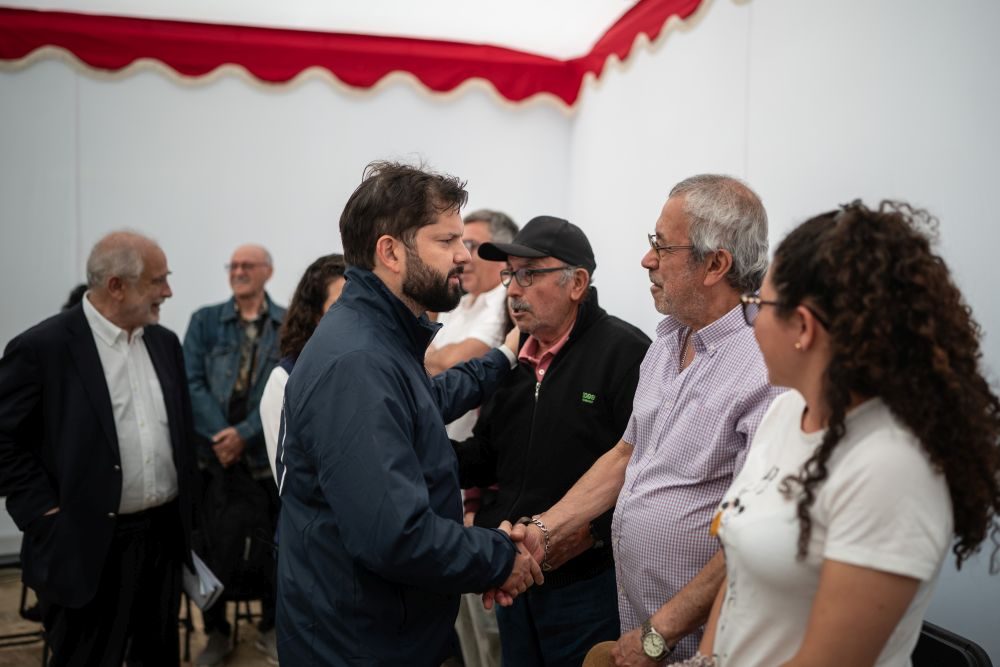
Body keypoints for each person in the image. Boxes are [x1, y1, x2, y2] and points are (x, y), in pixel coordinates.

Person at [678, 201, 1000, 667]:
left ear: (803, 327)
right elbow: (741, 573)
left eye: (757, 306)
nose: (753, 323)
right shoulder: (786, 412)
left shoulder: (892, 467)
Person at [276, 161, 542, 666]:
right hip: (360, 644)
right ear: (391, 251)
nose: (464, 256)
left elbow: (424, 404)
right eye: (447, 242)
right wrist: (499, 556)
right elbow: (395, 536)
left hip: (377, 629)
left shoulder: (380, 340)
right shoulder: (360, 361)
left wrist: (503, 356)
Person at [512, 175, 783, 663]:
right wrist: (544, 530)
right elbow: (626, 454)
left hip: (702, 647)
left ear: (716, 263)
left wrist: (661, 633)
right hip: (641, 625)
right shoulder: (667, 340)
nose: (647, 259)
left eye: (662, 246)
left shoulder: (764, 367)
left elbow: (750, 540)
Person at [454, 215, 650, 666]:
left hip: (586, 583)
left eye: (528, 274)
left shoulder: (625, 355)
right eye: (509, 275)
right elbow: (486, 457)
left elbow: (644, 467)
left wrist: (594, 535)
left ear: (577, 282)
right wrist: (419, 448)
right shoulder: (511, 362)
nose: (513, 290)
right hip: (513, 575)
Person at [0, 231, 196, 666]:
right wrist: (42, 512)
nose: (168, 291)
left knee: (157, 656)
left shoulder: (165, 344)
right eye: (157, 281)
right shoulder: (43, 348)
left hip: (160, 542)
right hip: (84, 546)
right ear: (116, 286)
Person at [183, 243, 287, 665]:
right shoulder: (205, 321)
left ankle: (271, 627)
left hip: (264, 462)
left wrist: (244, 435)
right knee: (210, 548)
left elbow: (284, 387)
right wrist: (223, 436)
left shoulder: (285, 324)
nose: (238, 271)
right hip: (214, 460)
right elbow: (190, 382)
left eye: (248, 265)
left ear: (268, 271)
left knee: (273, 551)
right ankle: (217, 633)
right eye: (234, 265)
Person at [424, 209, 518, 667]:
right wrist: (440, 358)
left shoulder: (504, 302)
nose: (462, 256)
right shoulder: (460, 302)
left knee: (489, 625)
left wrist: (438, 357)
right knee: (459, 619)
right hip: (450, 466)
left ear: (501, 256)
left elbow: (456, 362)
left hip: (481, 479)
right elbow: (430, 360)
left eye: (474, 245)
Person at [260, 253, 347, 485]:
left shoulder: (372, 368)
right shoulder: (285, 379)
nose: (356, 315)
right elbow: (290, 480)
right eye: (341, 305)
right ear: (315, 314)